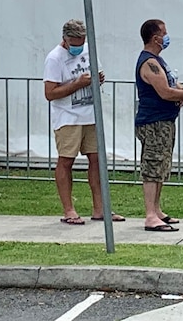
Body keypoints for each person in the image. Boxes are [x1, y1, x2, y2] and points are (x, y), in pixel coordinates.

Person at [44, 19, 123, 225]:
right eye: (75, 41)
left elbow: (96, 74)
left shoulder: (89, 51)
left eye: (82, 40)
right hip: (68, 117)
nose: (79, 45)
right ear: (66, 39)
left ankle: (100, 208)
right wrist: (77, 84)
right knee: (66, 160)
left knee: (97, 160)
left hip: (91, 114)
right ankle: (69, 209)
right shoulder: (54, 58)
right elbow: (50, 93)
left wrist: (99, 78)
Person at [136, 19, 183, 232]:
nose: (167, 37)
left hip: (165, 121)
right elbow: (165, 92)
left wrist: (181, 91)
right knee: (152, 165)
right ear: (155, 37)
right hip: (153, 122)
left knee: (161, 166)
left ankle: (157, 210)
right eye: (164, 33)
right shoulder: (148, 62)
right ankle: (150, 215)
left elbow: (171, 84)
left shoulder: (159, 61)